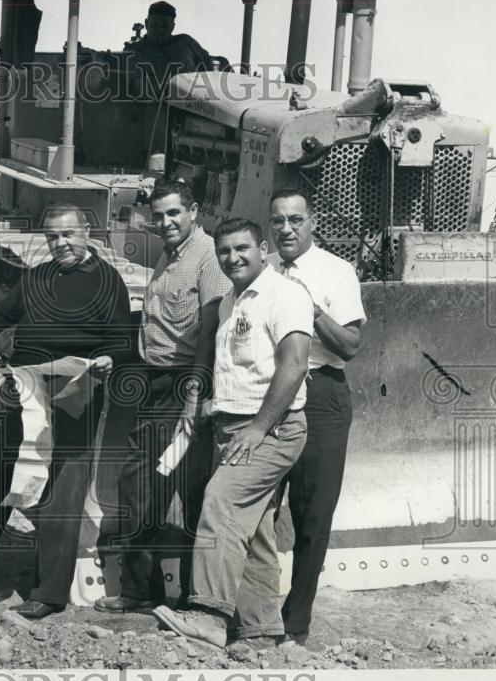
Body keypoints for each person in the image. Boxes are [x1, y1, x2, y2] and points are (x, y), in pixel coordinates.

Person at [0, 203, 134, 619]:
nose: (60, 244)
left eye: (67, 234)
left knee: (59, 495)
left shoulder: (109, 282)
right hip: (20, 388)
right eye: (52, 237)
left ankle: (49, 593)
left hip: (72, 395)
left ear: (87, 231)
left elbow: (122, 340)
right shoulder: (37, 277)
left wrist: (107, 359)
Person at [152, 217, 312, 648]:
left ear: (263, 249)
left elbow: (294, 365)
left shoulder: (286, 295)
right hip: (231, 426)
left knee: (220, 504)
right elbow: (243, 372)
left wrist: (259, 428)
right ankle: (261, 631)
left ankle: (207, 614)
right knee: (254, 528)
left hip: (271, 431)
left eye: (242, 248)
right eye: (224, 251)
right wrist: (205, 406)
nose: (232, 258)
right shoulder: (230, 302)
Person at [94, 179, 231, 614]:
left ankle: (190, 595)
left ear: (194, 212)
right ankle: (143, 588)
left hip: (183, 383)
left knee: (182, 489)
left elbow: (210, 328)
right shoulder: (172, 254)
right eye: (158, 215)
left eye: (174, 213)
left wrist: (196, 386)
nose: (165, 222)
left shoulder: (206, 257)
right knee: (144, 486)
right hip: (155, 381)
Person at [267, 188, 366, 646]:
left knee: (312, 515)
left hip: (322, 392)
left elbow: (348, 345)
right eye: (278, 221)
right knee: (258, 508)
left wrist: (312, 305)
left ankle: (296, 623)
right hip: (268, 392)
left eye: (295, 220)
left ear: (313, 221)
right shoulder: (262, 266)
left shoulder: (336, 271)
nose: (286, 229)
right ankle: (255, 610)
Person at [121, 1, 217, 94]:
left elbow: (212, 63)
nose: (159, 30)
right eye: (155, 25)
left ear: (172, 27)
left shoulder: (186, 43)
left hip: (195, 105)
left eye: (164, 26)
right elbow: (137, 86)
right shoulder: (133, 51)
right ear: (146, 23)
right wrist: (170, 90)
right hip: (155, 107)